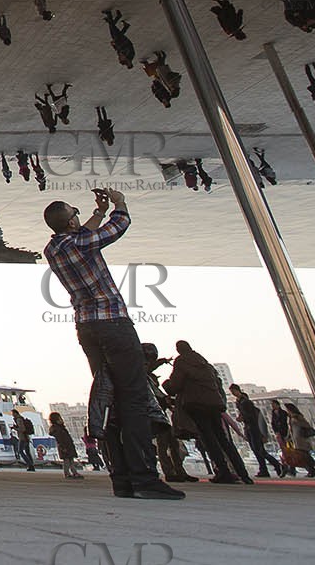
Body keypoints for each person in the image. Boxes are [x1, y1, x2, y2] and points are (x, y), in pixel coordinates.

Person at [44, 188, 182, 500]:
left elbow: (83, 235)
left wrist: (97, 212)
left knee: (109, 399)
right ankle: (145, 478)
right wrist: (119, 204)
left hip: (87, 329)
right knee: (133, 398)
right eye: (75, 212)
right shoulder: (81, 243)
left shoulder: (54, 248)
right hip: (113, 325)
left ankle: (121, 479)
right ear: (71, 222)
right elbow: (118, 226)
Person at [162, 340, 250, 484]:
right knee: (223, 439)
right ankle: (243, 473)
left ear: (179, 350)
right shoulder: (204, 362)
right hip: (214, 403)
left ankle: (223, 471)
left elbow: (176, 385)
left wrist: (166, 385)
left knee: (209, 439)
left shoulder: (182, 362)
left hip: (196, 404)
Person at [228, 384, 279, 479]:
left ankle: (275, 465)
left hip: (253, 427)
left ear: (237, 390)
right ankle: (266, 468)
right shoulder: (240, 402)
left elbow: (251, 416)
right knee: (257, 449)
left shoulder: (245, 402)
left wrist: (243, 418)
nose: (233, 394)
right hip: (249, 427)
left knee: (258, 449)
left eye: (233, 391)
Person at [48, 411, 81, 479]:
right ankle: (67, 473)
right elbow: (60, 439)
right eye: (60, 419)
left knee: (70, 460)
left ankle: (74, 472)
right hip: (65, 446)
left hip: (67, 446)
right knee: (67, 461)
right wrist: (63, 447)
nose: (61, 420)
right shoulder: (58, 429)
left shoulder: (60, 428)